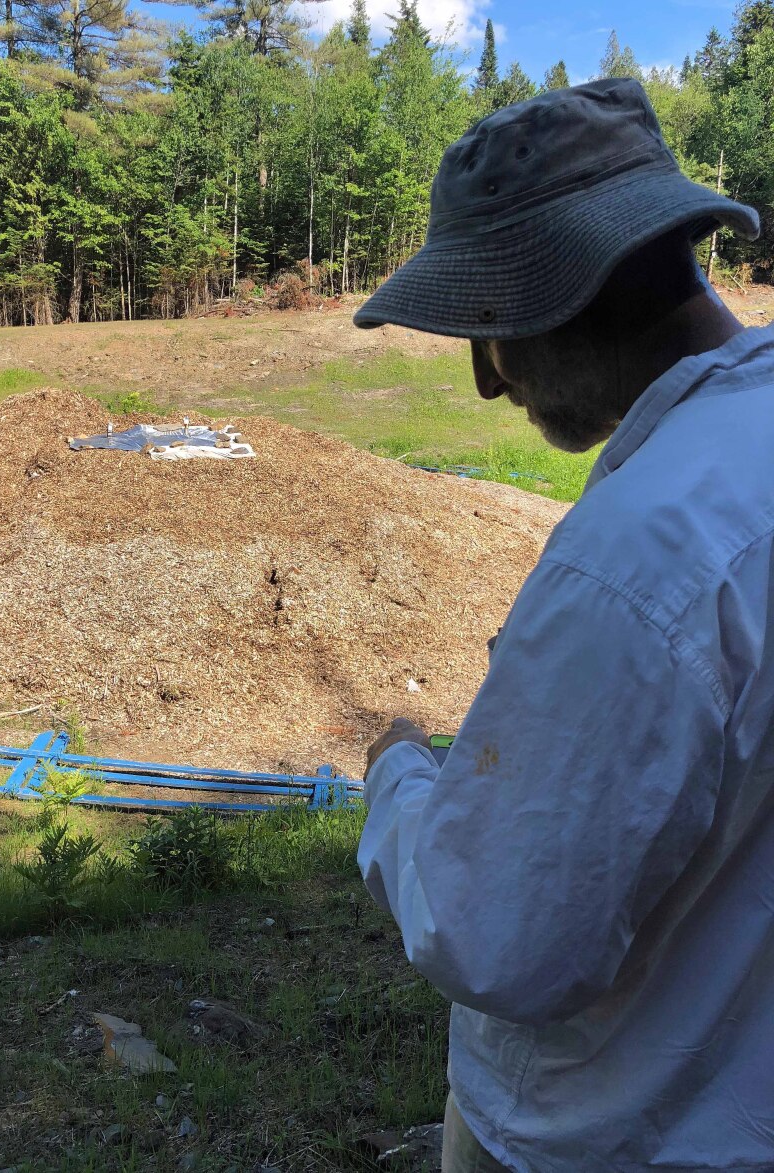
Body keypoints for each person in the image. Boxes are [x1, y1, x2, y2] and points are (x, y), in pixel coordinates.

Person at [353, 78, 774, 1173]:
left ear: (555, 298)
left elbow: (501, 938)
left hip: (611, 1132)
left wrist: (397, 780)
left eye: (485, 328)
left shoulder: (640, 561)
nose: (488, 385)